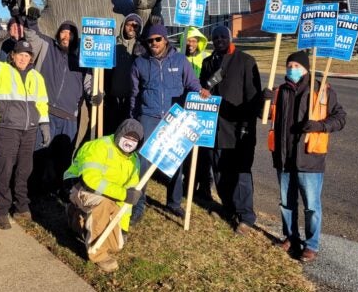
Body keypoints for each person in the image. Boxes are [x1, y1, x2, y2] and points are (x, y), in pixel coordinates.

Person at [266, 50, 346, 263]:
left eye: (296, 66)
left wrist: (320, 126)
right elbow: (264, 115)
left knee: (311, 205)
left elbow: (340, 118)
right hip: (284, 157)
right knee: (286, 203)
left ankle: (311, 245)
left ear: (306, 69)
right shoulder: (280, 91)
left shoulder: (321, 90)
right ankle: (291, 237)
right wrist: (263, 101)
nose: (292, 69)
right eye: (289, 66)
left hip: (309, 158)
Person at [129, 24, 201, 223]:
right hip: (148, 115)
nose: (153, 43)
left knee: (175, 160)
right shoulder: (139, 63)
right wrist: (134, 120)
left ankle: (174, 202)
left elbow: (192, 84)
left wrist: (199, 93)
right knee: (143, 161)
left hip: (174, 117)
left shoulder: (180, 60)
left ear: (165, 40)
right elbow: (134, 94)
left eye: (157, 39)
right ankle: (138, 203)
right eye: (150, 40)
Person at [0, 38, 49, 229]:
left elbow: (41, 102)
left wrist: (44, 125)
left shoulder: (37, 77)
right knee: (5, 168)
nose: (23, 58)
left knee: (24, 169)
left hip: (30, 129)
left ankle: (22, 206)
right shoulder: (3, 70)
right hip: (7, 128)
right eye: (20, 55)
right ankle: (2, 210)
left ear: (31, 58)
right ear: (13, 56)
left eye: (27, 55)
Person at [198, 25, 262, 235]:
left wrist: (246, 125)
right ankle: (228, 209)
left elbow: (253, 98)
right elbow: (202, 90)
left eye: (223, 36)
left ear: (230, 37)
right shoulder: (208, 63)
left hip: (239, 130)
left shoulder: (245, 61)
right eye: (215, 37)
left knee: (240, 175)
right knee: (219, 172)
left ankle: (245, 217)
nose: (219, 40)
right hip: (214, 128)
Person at [24, 13, 92, 199]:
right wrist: (30, 19)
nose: (66, 37)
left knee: (64, 157)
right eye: (63, 32)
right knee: (39, 152)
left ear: (75, 38)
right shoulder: (47, 47)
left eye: (70, 34)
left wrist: (94, 95)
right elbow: (31, 36)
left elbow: (89, 84)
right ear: (58, 34)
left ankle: (59, 188)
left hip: (69, 116)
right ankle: (33, 190)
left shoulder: (83, 59)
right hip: (45, 112)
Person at [63, 119, 144, 273]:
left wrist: (124, 228)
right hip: (81, 188)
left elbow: (127, 201)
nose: (130, 142)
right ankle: (97, 254)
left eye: (135, 140)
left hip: (110, 196)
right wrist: (123, 194)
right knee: (103, 205)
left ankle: (75, 218)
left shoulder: (135, 161)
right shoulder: (99, 146)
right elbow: (92, 179)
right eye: (127, 136)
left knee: (116, 246)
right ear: (119, 134)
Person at [105, 13, 144, 133]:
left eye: (135, 25)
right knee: (111, 130)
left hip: (131, 98)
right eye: (129, 24)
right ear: (123, 26)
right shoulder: (113, 44)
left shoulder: (142, 48)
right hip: (113, 97)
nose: (132, 28)